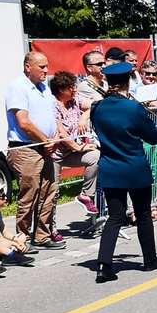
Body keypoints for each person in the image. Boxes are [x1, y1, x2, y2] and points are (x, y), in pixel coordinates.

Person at [90, 62, 157, 283]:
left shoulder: (97, 108)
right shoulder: (133, 108)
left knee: (115, 217)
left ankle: (103, 265)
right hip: (134, 167)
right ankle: (149, 259)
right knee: (143, 214)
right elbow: (153, 137)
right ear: (128, 82)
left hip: (111, 167)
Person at [5, 51, 64, 249]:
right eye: (42, 67)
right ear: (28, 67)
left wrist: (55, 137)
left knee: (49, 191)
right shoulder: (18, 87)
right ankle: (22, 238)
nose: (46, 71)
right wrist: (45, 140)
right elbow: (24, 122)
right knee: (30, 194)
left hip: (45, 146)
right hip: (26, 148)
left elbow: (52, 116)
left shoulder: (44, 88)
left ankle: (42, 236)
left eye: (47, 66)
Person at [49, 71, 100, 215]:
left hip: (72, 152)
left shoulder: (75, 100)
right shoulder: (52, 106)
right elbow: (62, 134)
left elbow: (95, 105)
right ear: (61, 90)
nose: (75, 90)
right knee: (53, 192)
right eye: (71, 87)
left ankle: (86, 195)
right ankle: (50, 225)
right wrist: (79, 148)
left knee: (95, 156)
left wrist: (83, 117)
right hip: (55, 155)